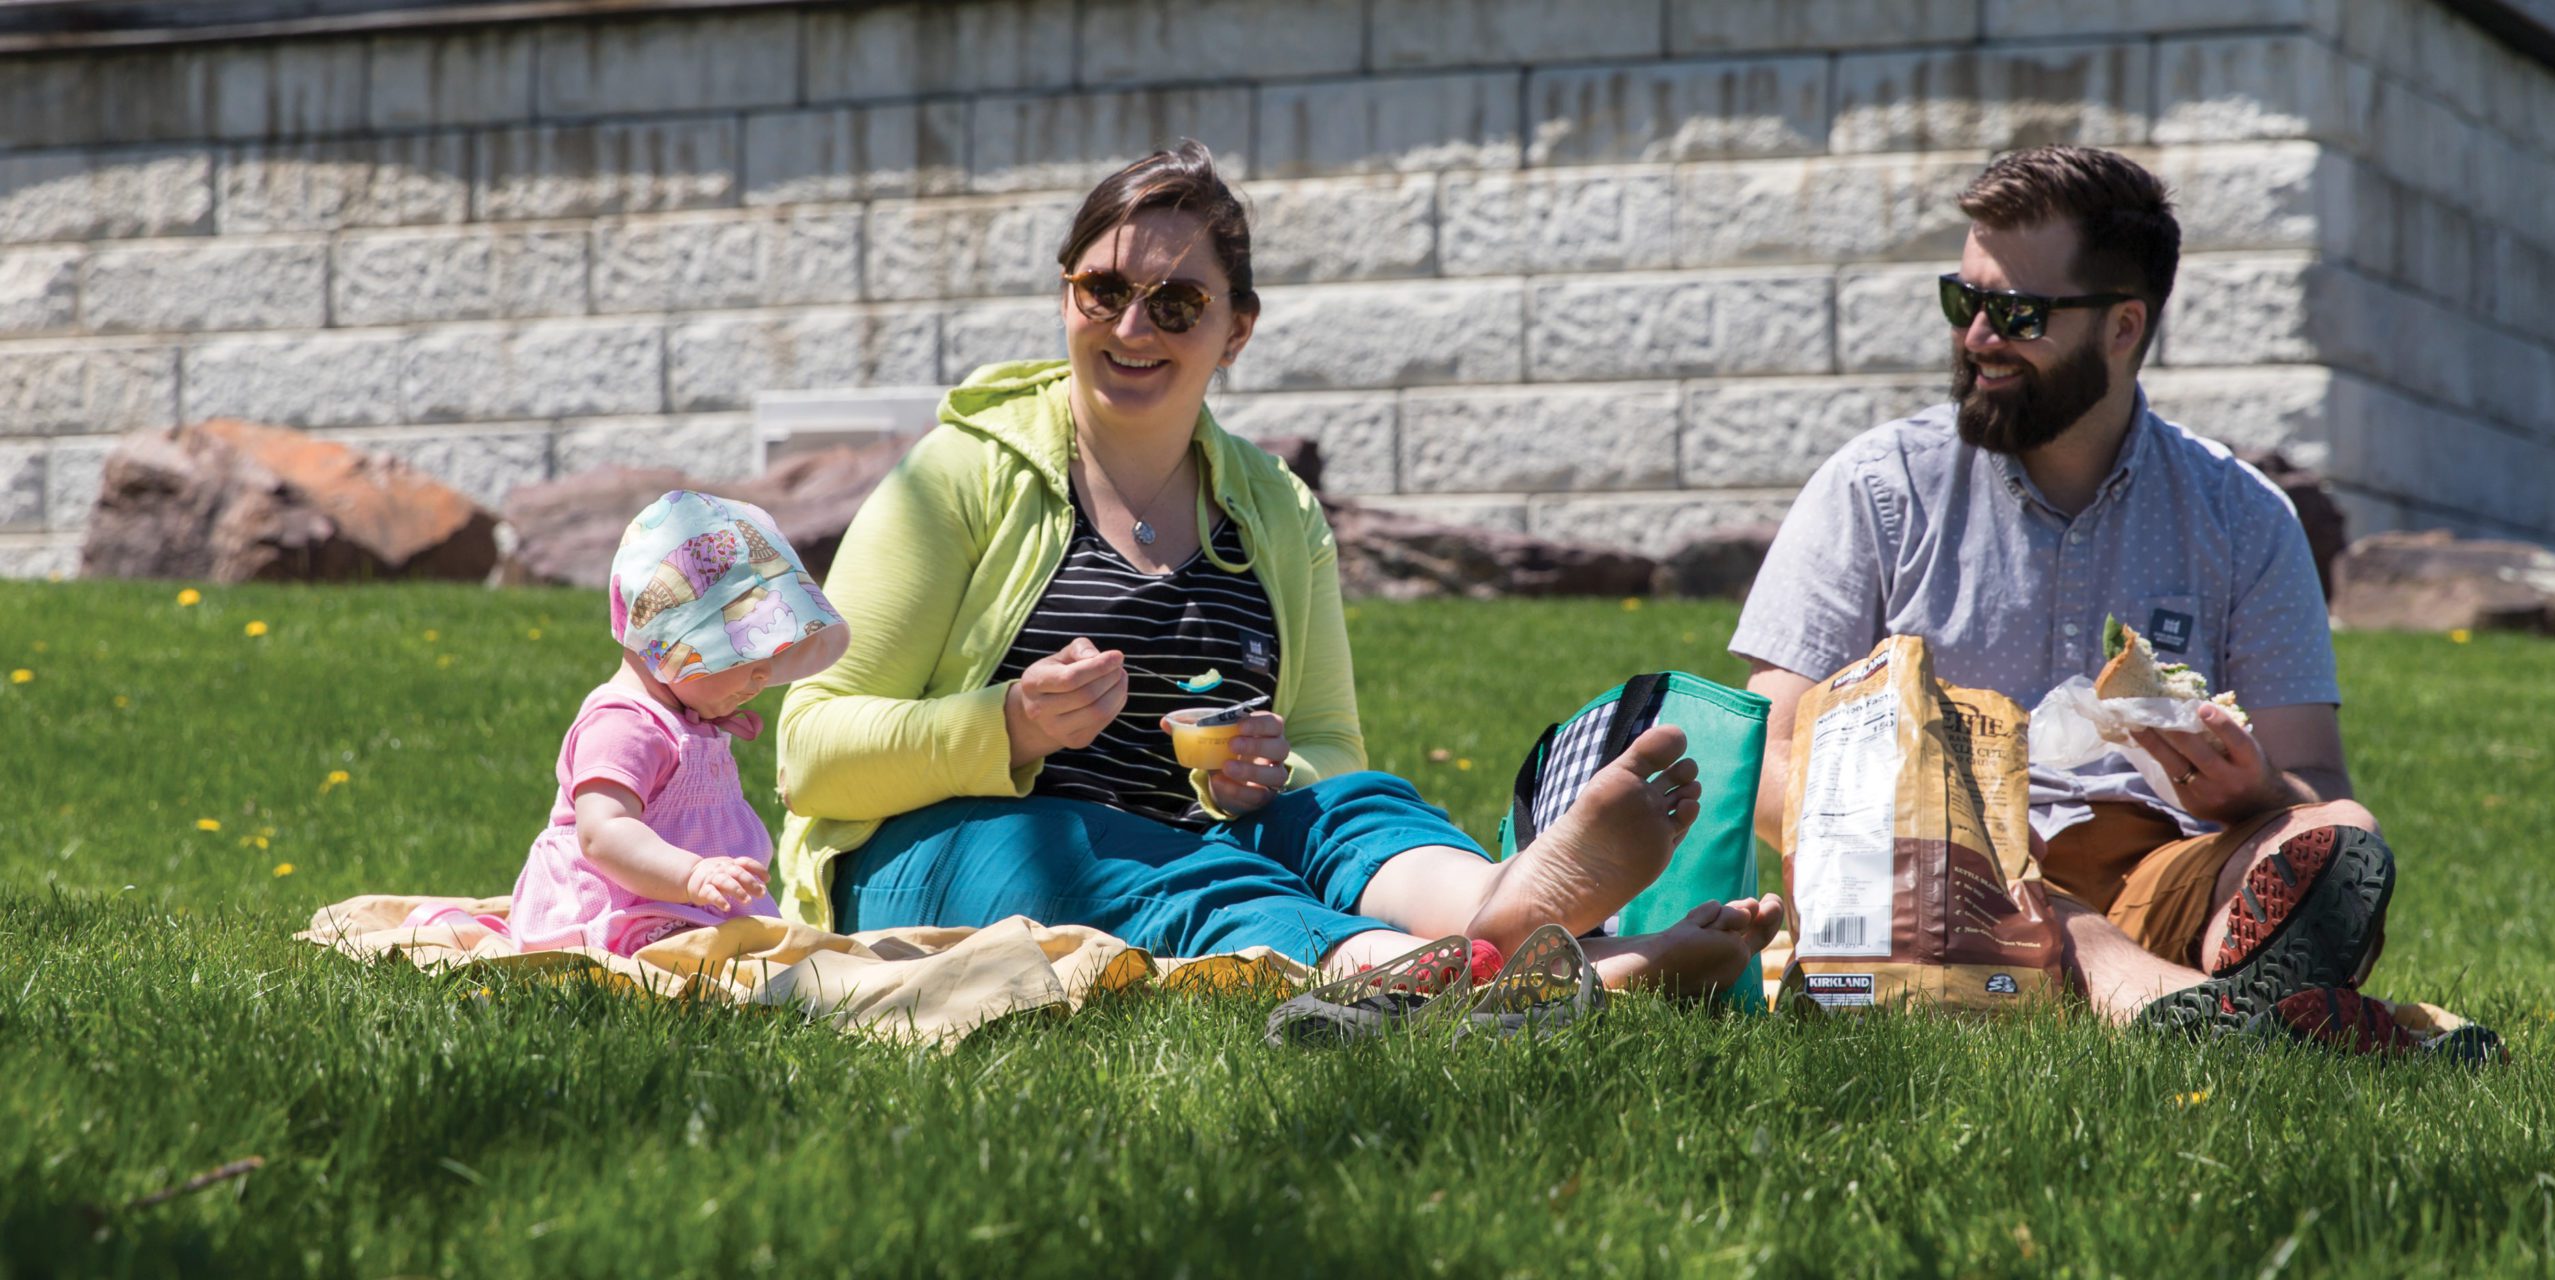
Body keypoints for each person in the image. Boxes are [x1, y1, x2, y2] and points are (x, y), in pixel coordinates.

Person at [772, 140, 1780, 993]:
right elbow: (809, 750)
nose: (1131, 327)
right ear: (1066, 294)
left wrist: (1267, 775)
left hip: (1201, 842)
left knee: (1354, 805)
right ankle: (1450, 967)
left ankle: (1505, 907)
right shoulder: (960, 475)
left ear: (1235, 329)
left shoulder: (1273, 511)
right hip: (942, 853)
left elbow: (1329, 747)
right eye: (1104, 290)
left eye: (1175, 304)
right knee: (1144, 863)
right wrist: (1008, 723)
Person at [1732, 145, 2469, 1057]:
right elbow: (1766, 753)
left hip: (2168, 863)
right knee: (2038, 908)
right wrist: (1965, 850)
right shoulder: (1875, 489)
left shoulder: (2243, 515)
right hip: (1935, 873)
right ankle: (2208, 1014)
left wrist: (2261, 788)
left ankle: (2230, 999)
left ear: (2123, 327)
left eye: (2016, 313)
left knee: (2339, 831)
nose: (1976, 337)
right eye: (1964, 301)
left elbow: (2314, 776)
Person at [497, 490, 850, 955]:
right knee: (705, 966)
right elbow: (602, 833)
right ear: (677, 643)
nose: (764, 675)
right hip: (619, 910)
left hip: (684, 905)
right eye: (744, 654)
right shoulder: (624, 725)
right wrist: (692, 874)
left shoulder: (685, 715)